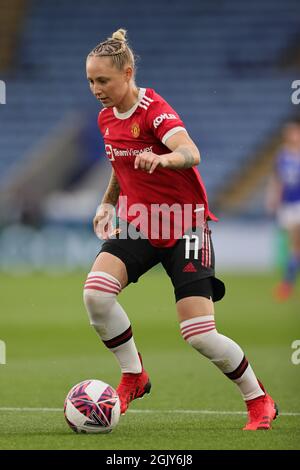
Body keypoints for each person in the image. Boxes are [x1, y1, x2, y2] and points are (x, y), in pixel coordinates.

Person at [84, 28, 278, 430]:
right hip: (141, 223)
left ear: (128, 72)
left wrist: (165, 160)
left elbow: (191, 152)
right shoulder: (106, 118)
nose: (96, 89)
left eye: (103, 80)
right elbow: (119, 165)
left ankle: (259, 399)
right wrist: (106, 203)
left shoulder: (153, 109)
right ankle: (134, 375)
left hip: (186, 225)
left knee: (199, 334)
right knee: (96, 296)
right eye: (90, 80)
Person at [266, 121, 300, 301]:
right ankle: (288, 282)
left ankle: (286, 285)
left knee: (295, 245)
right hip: (287, 205)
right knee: (292, 248)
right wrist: (273, 199)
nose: (291, 136)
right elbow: (277, 180)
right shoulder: (282, 156)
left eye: (294, 132)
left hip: (298, 204)